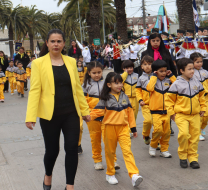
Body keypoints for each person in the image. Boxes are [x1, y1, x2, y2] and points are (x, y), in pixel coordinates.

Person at [25, 29, 90, 190]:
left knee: (72, 148)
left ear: (63, 44)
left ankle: (70, 186)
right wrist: (30, 116)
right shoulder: (38, 63)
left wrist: (84, 110)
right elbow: (34, 91)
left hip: (71, 113)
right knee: (52, 151)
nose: (56, 44)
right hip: (50, 115)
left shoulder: (71, 61)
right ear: (46, 43)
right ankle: (48, 175)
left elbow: (77, 88)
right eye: (52, 41)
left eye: (59, 41)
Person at [90, 72, 143, 187]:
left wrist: (133, 128)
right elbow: (98, 111)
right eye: (116, 83)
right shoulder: (104, 98)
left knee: (127, 151)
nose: (119, 85)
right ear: (109, 85)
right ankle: (110, 173)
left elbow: (130, 113)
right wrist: (88, 116)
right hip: (109, 128)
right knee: (110, 152)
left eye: (121, 83)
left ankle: (134, 175)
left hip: (124, 128)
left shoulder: (124, 96)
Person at [166, 58, 206, 169]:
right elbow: (169, 100)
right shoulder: (176, 84)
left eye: (192, 68)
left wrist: (203, 107)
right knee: (184, 135)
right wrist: (171, 113)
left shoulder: (197, 82)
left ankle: (193, 158)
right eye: (189, 69)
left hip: (195, 115)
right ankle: (183, 156)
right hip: (181, 115)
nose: (192, 71)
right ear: (181, 70)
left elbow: (202, 96)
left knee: (194, 138)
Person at [82, 61, 120, 170]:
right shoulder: (85, 85)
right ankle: (97, 160)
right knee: (95, 139)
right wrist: (86, 114)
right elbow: (83, 101)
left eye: (99, 72)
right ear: (89, 73)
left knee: (109, 139)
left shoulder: (107, 83)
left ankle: (113, 160)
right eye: (94, 73)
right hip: (92, 117)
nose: (97, 75)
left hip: (107, 115)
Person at [146, 59, 176, 158]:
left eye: (165, 71)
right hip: (155, 111)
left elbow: (177, 85)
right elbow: (149, 88)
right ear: (155, 72)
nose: (163, 73)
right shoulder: (152, 81)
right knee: (158, 130)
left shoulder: (168, 81)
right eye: (161, 71)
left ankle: (164, 149)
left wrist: (171, 75)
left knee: (166, 132)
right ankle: (153, 145)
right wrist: (154, 77)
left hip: (167, 111)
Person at [190, 53, 208, 141]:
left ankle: (201, 128)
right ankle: (197, 132)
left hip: (206, 97)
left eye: (201, 61)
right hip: (196, 98)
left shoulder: (205, 72)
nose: (199, 64)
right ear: (191, 62)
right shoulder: (190, 72)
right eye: (197, 62)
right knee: (199, 116)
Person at [136, 55, 154, 145]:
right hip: (145, 104)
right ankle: (146, 135)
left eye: (150, 64)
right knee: (148, 121)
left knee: (157, 124)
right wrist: (140, 100)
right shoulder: (141, 78)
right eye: (145, 64)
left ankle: (156, 140)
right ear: (142, 67)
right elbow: (138, 91)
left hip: (156, 104)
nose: (147, 66)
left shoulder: (157, 76)